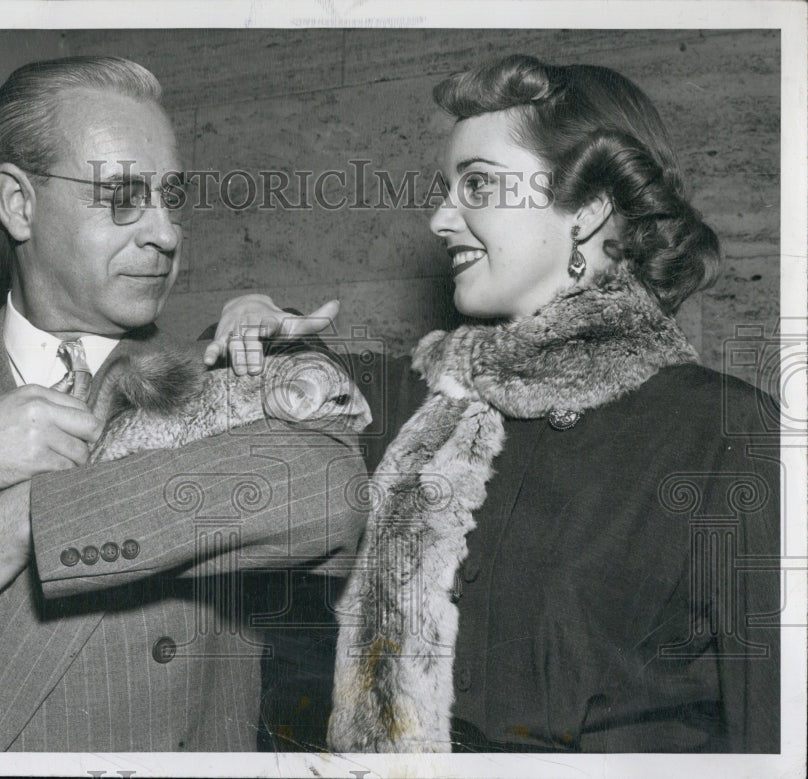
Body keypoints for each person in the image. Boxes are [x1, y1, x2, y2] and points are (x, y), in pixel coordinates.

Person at [214, 54, 780, 753]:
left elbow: (775, 729)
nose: (441, 218)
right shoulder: (421, 395)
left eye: (477, 184)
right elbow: (256, 378)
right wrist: (256, 324)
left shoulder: (725, 432)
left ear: (590, 206)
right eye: (447, 188)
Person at [0, 56, 367, 752]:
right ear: (18, 203)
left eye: (170, 197)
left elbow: (336, 493)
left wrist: (35, 515)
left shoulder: (222, 380)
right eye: (122, 196)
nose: (166, 233)